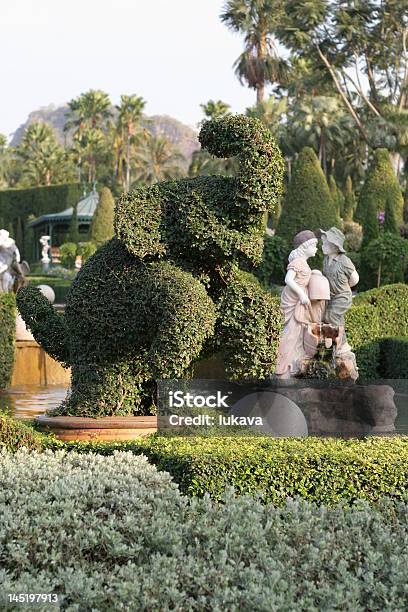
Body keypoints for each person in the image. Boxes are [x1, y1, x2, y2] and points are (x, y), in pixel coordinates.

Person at [275, 230, 320, 378]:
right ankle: (281, 365)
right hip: (293, 300)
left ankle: (293, 361)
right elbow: (288, 280)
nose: (316, 249)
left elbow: (304, 277)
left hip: (299, 300)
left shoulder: (304, 263)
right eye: (314, 246)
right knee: (290, 332)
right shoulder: (298, 262)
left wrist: (314, 273)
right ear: (305, 247)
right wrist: (301, 294)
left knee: (298, 332)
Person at [320, 227, 359, 353]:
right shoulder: (326, 260)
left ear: (335, 246)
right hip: (331, 296)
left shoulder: (344, 261)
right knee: (337, 319)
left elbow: (355, 278)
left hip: (342, 296)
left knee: (330, 316)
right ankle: (342, 344)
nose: (323, 245)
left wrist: (346, 286)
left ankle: (337, 344)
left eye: (326, 243)